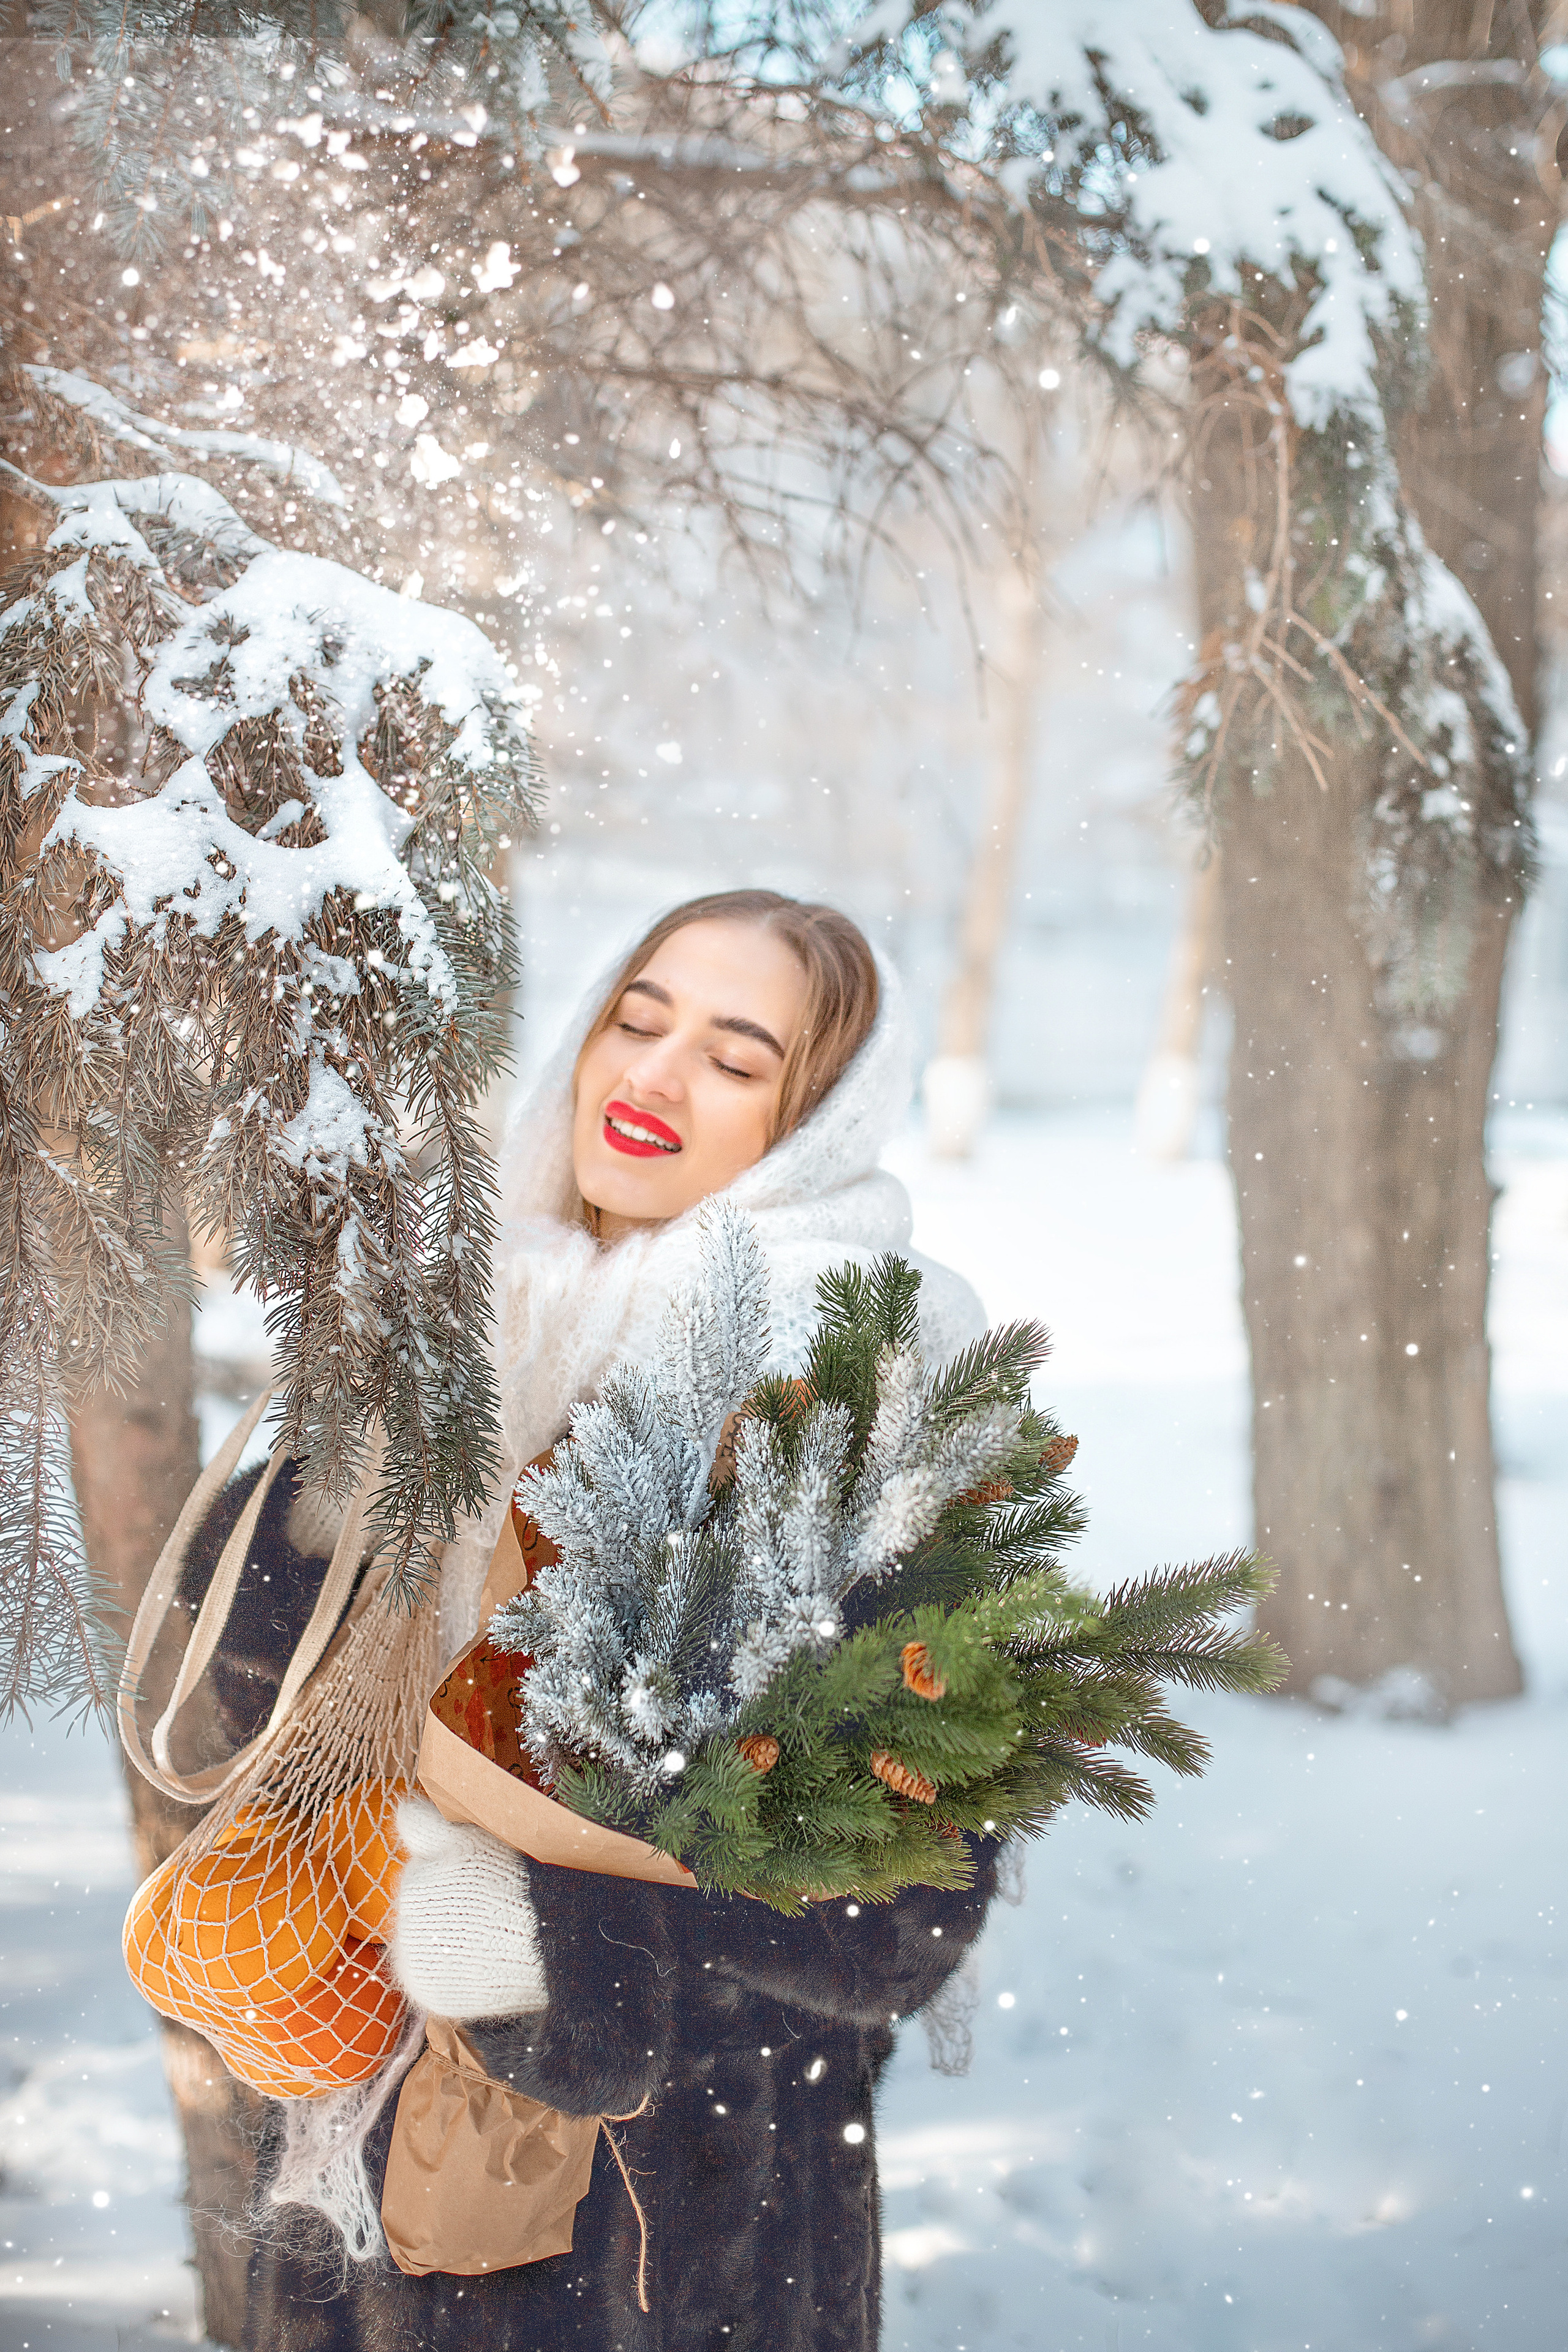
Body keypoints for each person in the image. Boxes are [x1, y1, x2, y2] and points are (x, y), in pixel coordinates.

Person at [239, 889, 1000, 2351]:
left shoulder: (856, 1365)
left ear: (818, 1117)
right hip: (367, 2135)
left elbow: (904, 1903)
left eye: (734, 1057)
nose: (649, 1077)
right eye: (636, 1019)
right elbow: (262, 1692)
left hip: (681, 2219)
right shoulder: (455, 1319)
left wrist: (560, 1933)